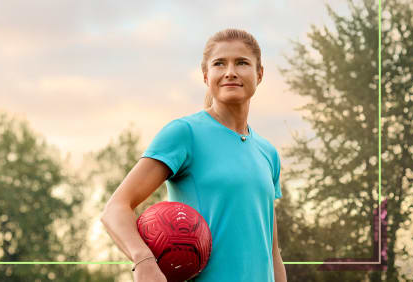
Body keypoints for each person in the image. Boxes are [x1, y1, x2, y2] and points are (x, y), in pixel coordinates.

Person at [100, 28, 287, 282]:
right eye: (219, 63)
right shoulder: (184, 134)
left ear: (260, 74)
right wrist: (143, 261)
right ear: (206, 76)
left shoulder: (268, 153)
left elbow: (272, 252)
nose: (230, 71)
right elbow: (115, 208)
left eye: (242, 63)